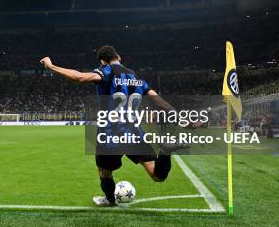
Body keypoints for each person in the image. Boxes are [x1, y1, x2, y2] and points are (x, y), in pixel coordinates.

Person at [40, 45, 194, 207]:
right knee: (157, 175)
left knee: (104, 173)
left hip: (110, 134)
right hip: (135, 132)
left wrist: (51, 67)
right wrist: (183, 119)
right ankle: (165, 152)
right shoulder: (135, 77)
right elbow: (158, 100)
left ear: (102, 61)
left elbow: (79, 77)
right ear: (118, 57)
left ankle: (110, 200)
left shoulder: (106, 71)